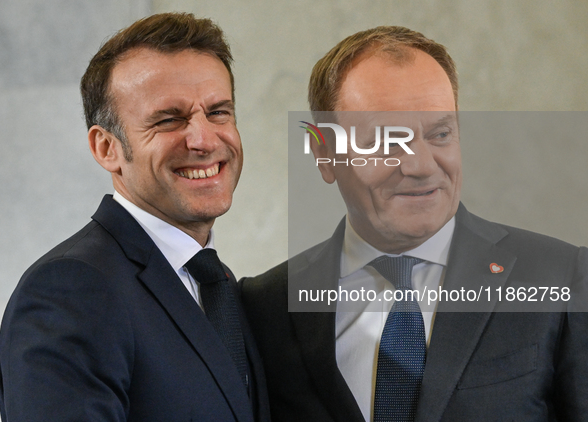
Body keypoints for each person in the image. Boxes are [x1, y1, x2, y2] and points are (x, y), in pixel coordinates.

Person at [240, 26, 588, 422]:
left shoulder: (561, 278)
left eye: (440, 134)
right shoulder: (264, 307)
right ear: (325, 155)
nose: (421, 166)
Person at [0, 13, 269, 422]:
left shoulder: (218, 284)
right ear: (106, 148)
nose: (203, 139)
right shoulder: (69, 290)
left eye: (218, 112)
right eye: (168, 119)